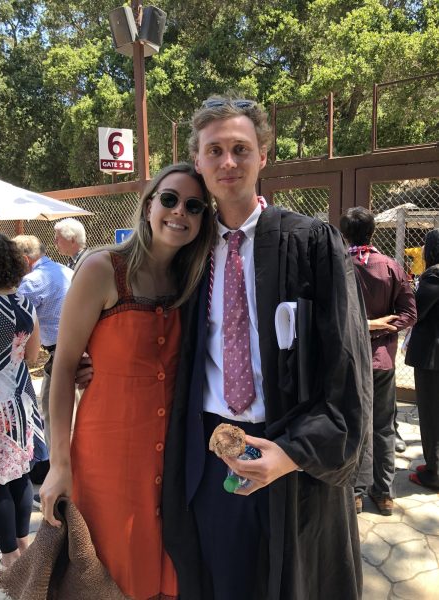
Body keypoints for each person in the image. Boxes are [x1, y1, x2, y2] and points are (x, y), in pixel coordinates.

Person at [159, 97, 373, 600]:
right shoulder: (186, 251)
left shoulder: (312, 242)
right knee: (225, 579)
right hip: (214, 449)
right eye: (214, 151)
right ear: (198, 162)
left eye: (240, 149)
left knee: (295, 582)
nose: (227, 162)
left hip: (293, 449)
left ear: (263, 156)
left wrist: (295, 453)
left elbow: (347, 366)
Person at [40, 163, 215, 600]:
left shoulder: (192, 280)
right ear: (149, 204)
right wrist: (59, 464)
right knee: (108, 575)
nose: (180, 212)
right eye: (170, 199)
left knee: (163, 573)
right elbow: (62, 369)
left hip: (174, 459)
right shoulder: (103, 269)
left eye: (194, 206)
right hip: (108, 459)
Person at [340, 207, 416, 516]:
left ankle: (356, 492)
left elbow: (331, 315)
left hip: (349, 360)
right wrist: (381, 325)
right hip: (382, 360)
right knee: (383, 425)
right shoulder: (392, 267)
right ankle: (384, 494)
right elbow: (410, 314)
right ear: (373, 232)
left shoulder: (339, 266)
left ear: (344, 234)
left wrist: (361, 326)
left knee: (354, 424)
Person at [0, 233, 47, 582]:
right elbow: (33, 353)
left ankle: (9, 558)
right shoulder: (24, 304)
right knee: (21, 474)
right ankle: (24, 548)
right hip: (21, 398)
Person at [13, 235, 73, 449]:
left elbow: (16, 319)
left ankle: (53, 464)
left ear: (24, 259)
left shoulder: (32, 281)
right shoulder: (65, 270)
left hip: (60, 354)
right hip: (81, 348)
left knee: (51, 410)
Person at [405, 229, 439, 490]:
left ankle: (432, 472)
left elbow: (415, 310)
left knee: (430, 412)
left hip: (432, 358)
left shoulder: (434, 276)